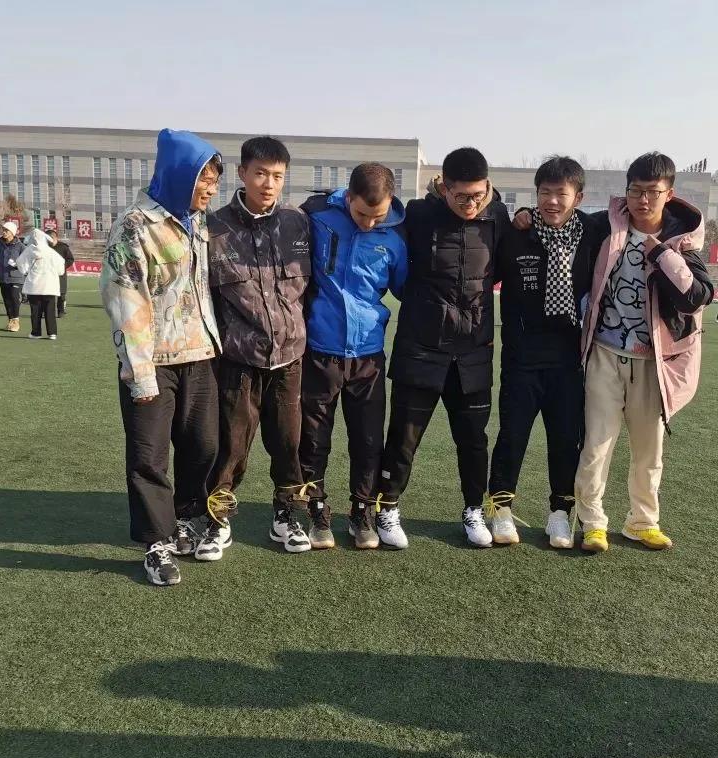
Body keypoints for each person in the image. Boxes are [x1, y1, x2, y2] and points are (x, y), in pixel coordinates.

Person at [568, 152, 712, 554]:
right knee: (596, 445)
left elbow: (697, 297)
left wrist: (662, 254)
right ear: (626, 191)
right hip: (604, 353)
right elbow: (563, 220)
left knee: (649, 451)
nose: (643, 200)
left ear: (669, 194)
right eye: (635, 191)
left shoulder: (682, 243)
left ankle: (642, 522)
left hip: (653, 362)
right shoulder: (604, 227)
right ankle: (592, 523)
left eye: (652, 192)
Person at [100, 128, 225, 587]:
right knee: (149, 457)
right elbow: (125, 299)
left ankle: (186, 518)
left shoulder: (198, 222)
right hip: (152, 362)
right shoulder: (135, 226)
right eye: (204, 180)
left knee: (203, 446)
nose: (210, 190)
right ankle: (157, 543)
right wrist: (140, 374)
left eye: (214, 182)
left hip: (199, 354)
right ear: (179, 175)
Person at [374, 147, 511, 549]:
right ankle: (387, 508)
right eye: (461, 196)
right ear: (444, 188)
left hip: (473, 352)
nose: (471, 204)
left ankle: (473, 510)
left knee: (473, 440)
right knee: (403, 437)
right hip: (421, 347)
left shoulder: (499, 216)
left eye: (478, 195)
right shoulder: (418, 215)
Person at [205, 136, 313, 553]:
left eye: (278, 176)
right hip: (238, 361)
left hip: (289, 358)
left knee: (289, 445)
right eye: (261, 174)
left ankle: (287, 516)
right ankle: (217, 520)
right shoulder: (214, 229)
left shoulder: (298, 223)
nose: (269, 184)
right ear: (242, 173)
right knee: (231, 446)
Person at [487, 156, 601, 550]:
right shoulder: (516, 233)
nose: (552, 201)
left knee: (566, 440)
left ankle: (560, 514)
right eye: (544, 193)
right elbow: (490, 211)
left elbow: (634, 212)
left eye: (561, 193)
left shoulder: (592, 232)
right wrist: (520, 212)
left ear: (578, 197)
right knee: (512, 436)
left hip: (569, 360)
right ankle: (501, 509)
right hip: (521, 358)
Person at [299, 163, 408, 550]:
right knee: (313, 439)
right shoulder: (316, 217)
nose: (369, 223)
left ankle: (362, 511)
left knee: (368, 440)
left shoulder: (396, 236)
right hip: (319, 352)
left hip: (368, 356)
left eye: (378, 216)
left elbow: (404, 289)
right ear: (348, 198)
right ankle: (316, 509)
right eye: (362, 214)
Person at [19, 229, 65, 339]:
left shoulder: (29, 250)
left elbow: (21, 264)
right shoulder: (51, 252)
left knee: (35, 310)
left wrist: (26, 271)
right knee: (50, 310)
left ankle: (36, 332)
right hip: (49, 285)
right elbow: (61, 269)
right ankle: (52, 333)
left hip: (34, 285)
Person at [46, 228, 75, 317]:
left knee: (61, 294)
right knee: (48, 294)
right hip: (47, 274)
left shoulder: (63, 247)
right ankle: (47, 312)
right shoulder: (45, 247)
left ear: (55, 238)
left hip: (60, 274)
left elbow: (70, 259)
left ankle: (61, 311)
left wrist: (62, 267)